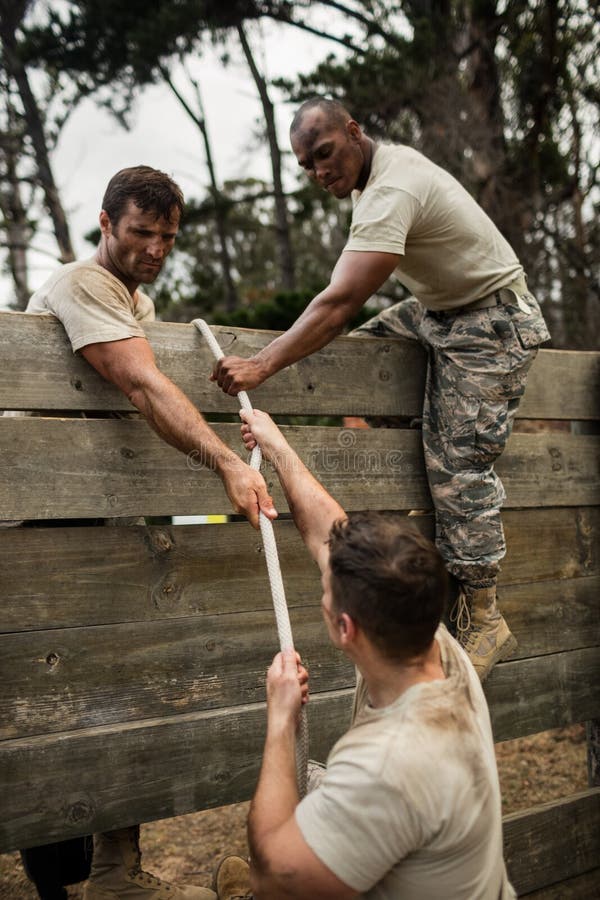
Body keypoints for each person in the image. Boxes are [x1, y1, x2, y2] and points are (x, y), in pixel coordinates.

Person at [211, 97, 551, 682]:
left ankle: (485, 612)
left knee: (460, 467)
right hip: (440, 310)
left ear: (354, 132)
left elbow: (339, 301)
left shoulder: (392, 189)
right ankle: (431, 432)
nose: (320, 172)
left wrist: (261, 366)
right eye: (307, 165)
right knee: (362, 354)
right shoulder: (373, 183)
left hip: (491, 322)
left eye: (325, 153)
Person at [18, 165, 272, 900]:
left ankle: (115, 869)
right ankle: (64, 883)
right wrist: (226, 460)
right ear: (105, 223)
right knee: (53, 691)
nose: (156, 247)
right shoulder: (80, 285)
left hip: (100, 512)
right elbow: (142, 383)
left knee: (120, 677)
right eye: (140, 232)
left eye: (167, 235)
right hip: (43, 518)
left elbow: (153, 381)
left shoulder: (138, 299)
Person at [219, 408, 516, 899]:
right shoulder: (436, 645)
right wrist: (276, 447)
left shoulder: (387, 764)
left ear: (345, 628)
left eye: (325, 591)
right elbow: (328, 532)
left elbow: (272, 876)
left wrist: (280, 721)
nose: (324, 585)